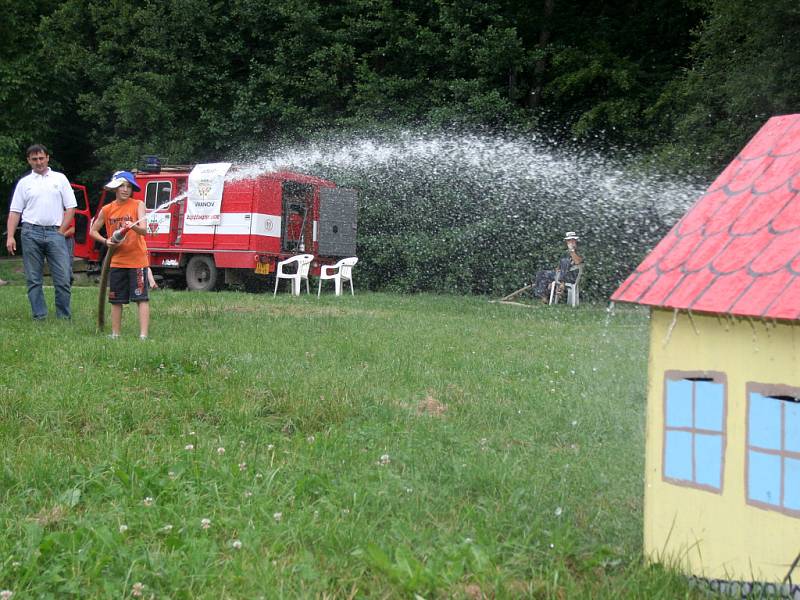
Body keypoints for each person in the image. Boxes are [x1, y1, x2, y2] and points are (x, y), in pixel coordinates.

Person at [6, 144, 77, 320]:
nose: (39, 162)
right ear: (29, 161)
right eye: (34, 159)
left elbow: (71, 208)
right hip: (30, 232)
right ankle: (39, 316)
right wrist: (10, 236)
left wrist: (61, 231)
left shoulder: (60, 179)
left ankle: (64, 316)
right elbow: (15, 212)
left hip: (55, 232)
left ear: (47, 158)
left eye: (41, 158)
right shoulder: (24, 183)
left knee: (63, 278)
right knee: (33, 279)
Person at [89, 170, 151, 339]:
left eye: (129, 186)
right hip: (116, 261)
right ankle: (115, 334)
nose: (125, 189)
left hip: (137, 260)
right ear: (115, 188)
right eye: (122, 186)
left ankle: (143, 336)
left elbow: (144, 230)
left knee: (141, 298)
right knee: (116, 300)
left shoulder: (138, 204)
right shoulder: (107, 209)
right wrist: (106, 241)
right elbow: (93, 231)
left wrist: (133, 226)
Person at [533, 231, 584, 303]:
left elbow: (578, 262)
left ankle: (561, 284)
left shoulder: (580, 250)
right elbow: (559, 267)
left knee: (565, 261)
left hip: (572, 277)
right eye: (568, 240)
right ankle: (544, 297)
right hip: (561, 275)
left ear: (575, 240)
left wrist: (572, 251)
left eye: (572, 240)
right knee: (541, 273)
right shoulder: (565, 252)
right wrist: (556, 273)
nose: (570, 242)